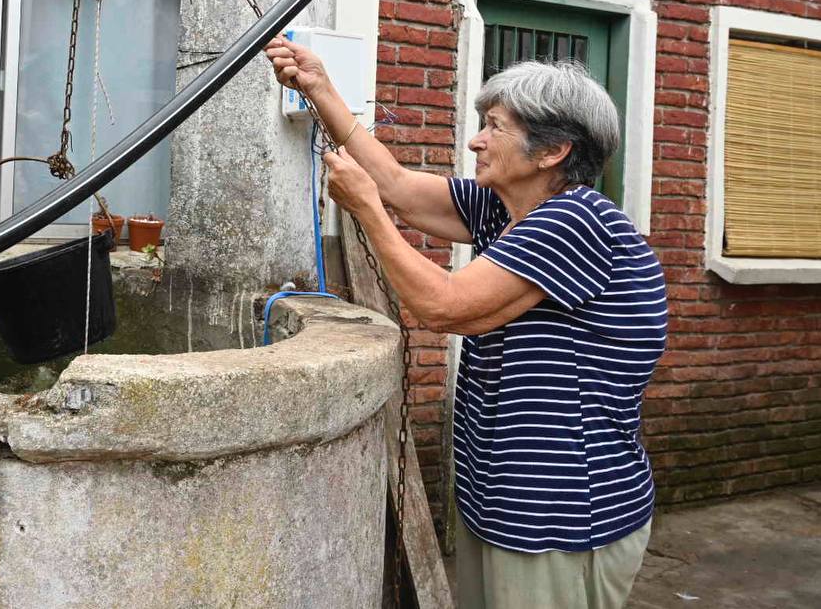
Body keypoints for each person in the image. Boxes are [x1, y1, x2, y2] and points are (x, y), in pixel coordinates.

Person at [266, 37, 667, 609]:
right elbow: (399, 189)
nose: (476, 139)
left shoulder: (577, 222)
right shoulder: (508, 207)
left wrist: (366, 212)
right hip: (503, 498)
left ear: (552, 151)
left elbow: (445, 306)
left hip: (558, 511)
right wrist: (320, 87)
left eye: (495, 127)